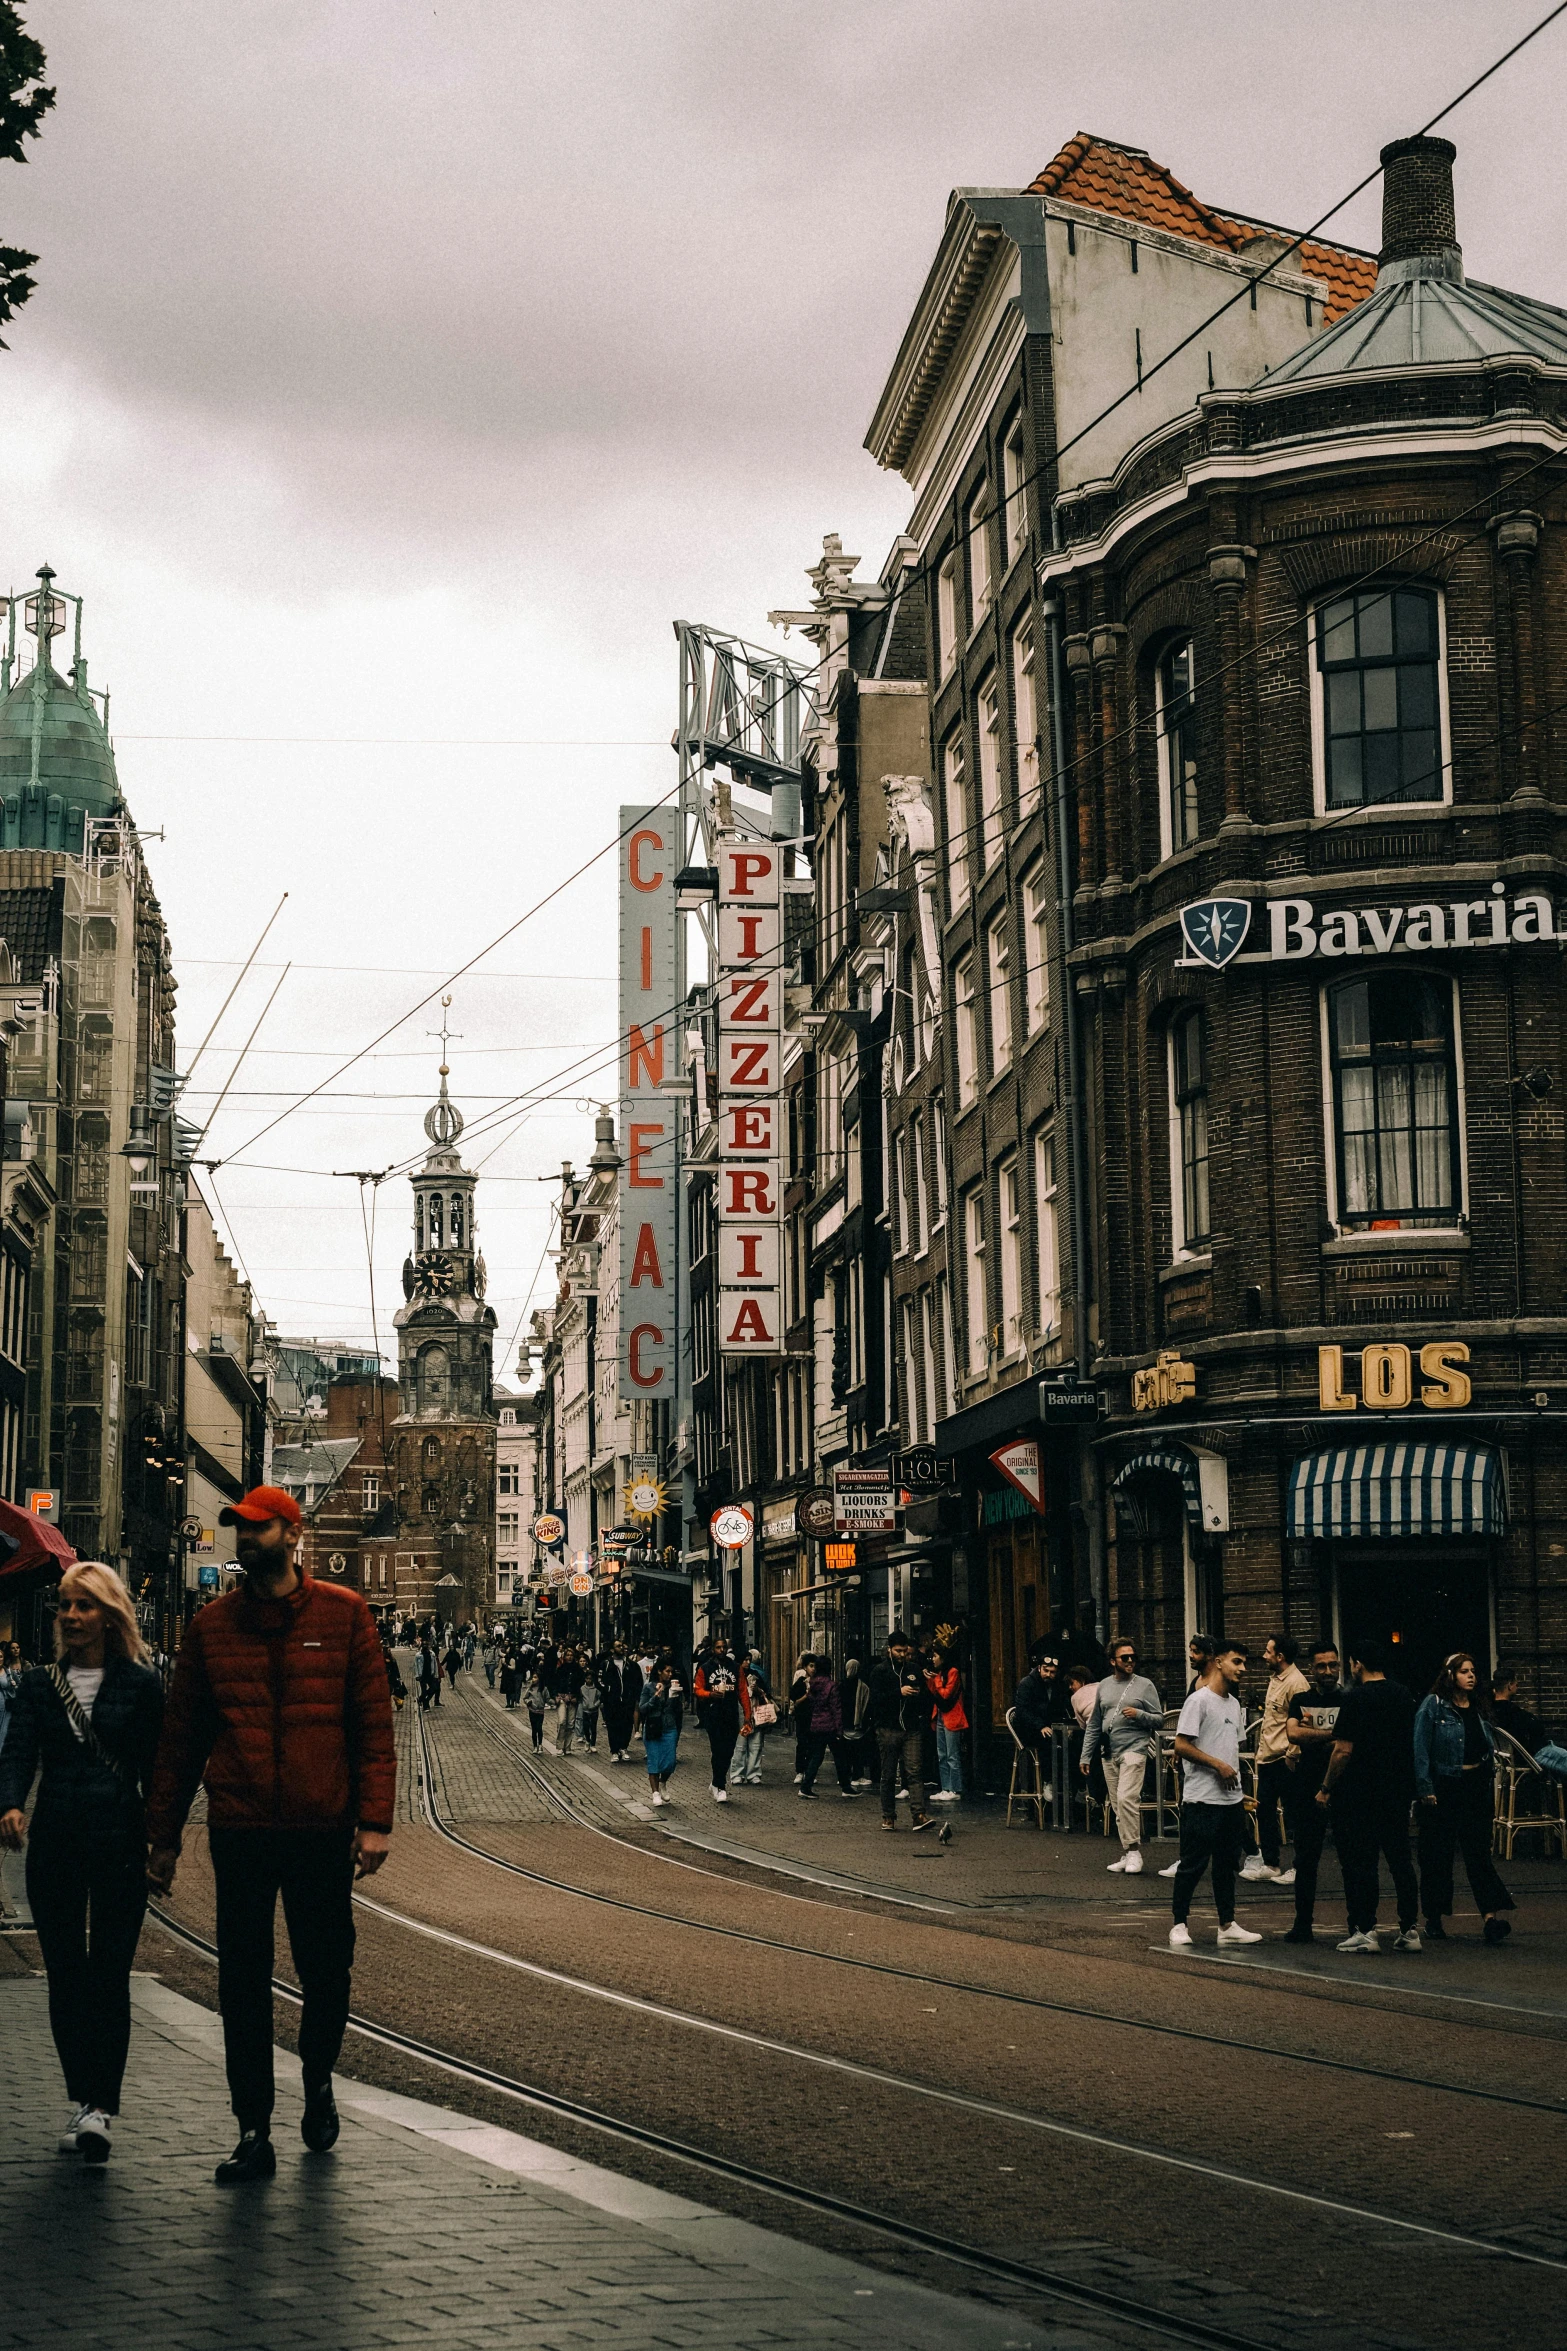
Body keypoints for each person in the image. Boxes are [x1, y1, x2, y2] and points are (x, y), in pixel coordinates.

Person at [145, 1484, 395, 2184]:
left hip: (320, 1827)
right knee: (242, 1981)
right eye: (238, 1528)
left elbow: (372, 1726)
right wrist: (161, 1835)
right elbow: (180, 1738)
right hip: (243, 1827)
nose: (243, 1537)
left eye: (256, 1527)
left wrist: (373, 1820)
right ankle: (252, 2127)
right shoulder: (210, 1627)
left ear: (292, 1533)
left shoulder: (345, 1616)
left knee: (327, 1968)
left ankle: (317, 2075)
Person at [0, 1563, 164, 2165]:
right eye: (64, 1606)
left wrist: (162, 1843)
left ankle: (100, 2107)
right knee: (67, 1976)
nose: (70, 1617)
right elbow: (17, 1748)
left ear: (109, 1614)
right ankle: (82, 2097)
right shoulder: (41, 1686)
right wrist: (11, 1803)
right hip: (59, 1844)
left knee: (109, 1976)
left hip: (119, 1843)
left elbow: (156, 1768)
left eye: (84, 1606)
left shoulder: (141, 1684)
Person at [1317, 1639, 1419, 1954]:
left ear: (1356, 1664)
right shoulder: (1403, 1695)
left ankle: (1366, 1930)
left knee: (1363, 1862)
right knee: (1400, 1859)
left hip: (1360, 1792)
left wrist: (1326, 1787)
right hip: (1397, 1789)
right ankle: (1409, 1929)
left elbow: (1343, 1750)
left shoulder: (1355, 1699)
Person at [1414, 1653, 1515, 1945]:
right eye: (1464, 1671)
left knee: (1478, 1855)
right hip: (1444, 1787)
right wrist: (1425, 1787)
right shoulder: (1433, 1706)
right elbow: (1420, 1748)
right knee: (1438, 1856)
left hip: (1474, 1787)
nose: (1471, 1676)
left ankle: (1490, 1919)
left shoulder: (1479, 1707)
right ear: (1450, 1675)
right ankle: (1434, 1918)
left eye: (1473, 1671)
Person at [1168, 1642, 1260, 1949]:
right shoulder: (1199, 1701)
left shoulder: (1234, 1704)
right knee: (1192, 1864)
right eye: (1237, 1661)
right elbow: (1181, 1746)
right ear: (1219, 1662)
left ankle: (1226, 1924)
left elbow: (1233, 1749)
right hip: (1201, 1798)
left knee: (1226, 1864)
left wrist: (1241, 1789)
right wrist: (1216, 1764)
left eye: (1244, 1663)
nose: (1242, 1668)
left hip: (1230, 1801)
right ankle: (1179, 1924)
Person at [1281, 1640, 1347, 1943]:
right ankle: (1302, 1924)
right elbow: (1293, 1732)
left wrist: (1313, 1737)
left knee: (1350, 1855)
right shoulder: (1301, 1698)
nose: (1328, 1671)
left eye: (1333, 1665)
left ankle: (1357, 1923)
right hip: (1307, 1785)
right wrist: (1333, 1735)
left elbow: (1350, 1743)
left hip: (1345, 1784)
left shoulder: (1349, 1699)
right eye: (1321, 1666)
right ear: (1312, 1669)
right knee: (1306, 1858)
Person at [1081, 1638, 1162, 1873]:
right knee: (1117, 1804)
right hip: (1109, 1752)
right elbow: (1095, 1722)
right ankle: (1127, 1852)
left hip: (1135, 1749)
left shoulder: (1145, 1685)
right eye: (1124, 1657)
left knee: (1127, 1798)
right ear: (1112, 1661)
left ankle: (1135, 1852)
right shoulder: (1104, 1685)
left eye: (1133, 1657)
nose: (1130, 1661)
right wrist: (1086, 1756)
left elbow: (1159, 1718)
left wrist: (1139, 1714)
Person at [1249, 1635, 1309, 1885]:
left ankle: (1299, 1866)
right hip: (1268, 1757)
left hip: (1284, 1758)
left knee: (1295, 1813)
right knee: (1265, 1811)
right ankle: (1271, 1864)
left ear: (1280, 1657)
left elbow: (1302, 1721)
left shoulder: (1297, 1684)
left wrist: (1292, 1755)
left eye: (1268, 1652)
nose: (1264, 1656)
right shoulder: (1276, 1679)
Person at [867, 1631, 935, 1834]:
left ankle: (919, 1815)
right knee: (888, 1774)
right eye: (898, 1651)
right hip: (888, 1728)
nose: (902, 1654)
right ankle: (888, 1816)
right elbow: (875, 1700)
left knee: (914, 1771)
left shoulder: (914, 1669)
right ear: (889, 1650)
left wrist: (920, 1694)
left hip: (911, 1727)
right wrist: (899, 1692)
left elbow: (925, 1698)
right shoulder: (879, 1671)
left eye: (904, 1651)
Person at [694, 1636, 744, 1803]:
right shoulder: (705, 1668)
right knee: (717, 1750)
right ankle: (720, 1785)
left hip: (731, 1714)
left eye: (724, 1647)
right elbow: (698, 1689)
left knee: (728, 1751)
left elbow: (742, 1692)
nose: (721, 1650)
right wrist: (709, 1694)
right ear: (713, 1649)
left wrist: (748, 1715)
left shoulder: (736, 1668)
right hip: (713, 1714)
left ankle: (716, 1782)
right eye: (718, 1648)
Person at [798, 1656, 855, 1800]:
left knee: (816, 1756)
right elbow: (836, 1708)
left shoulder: (812, 1683)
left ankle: (806, 1786)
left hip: (817, 1723)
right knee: (840, 1756)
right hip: (830, 1725)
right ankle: (845, 1786)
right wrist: (839, 1728)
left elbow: (811, 1703)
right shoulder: (831, 1685)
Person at [926, 1644, 969, 1805]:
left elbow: (945, 1694)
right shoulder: (941, 1674)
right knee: (942, 1754)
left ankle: (955, 1789)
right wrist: (930, 1679)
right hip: (941, 1716)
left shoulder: (953, 1672)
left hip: (952, 1716)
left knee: (952, 1755)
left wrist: (934, 1679)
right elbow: (934, 1691)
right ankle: (946, 1787)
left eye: (936, 1656)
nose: (933, 1659)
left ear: (943, 1657)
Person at [637, 1659, 682, 1806]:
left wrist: (676, 1696)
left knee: (670, 1762)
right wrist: (656, 1696)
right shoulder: (649, 1687)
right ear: (659, 1671)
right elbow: (642, 1708)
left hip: (669, 1727)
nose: (670, 1674)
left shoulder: (673, 1687)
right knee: (654, 1761)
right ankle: (655, 1792)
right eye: (667, 1671)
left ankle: (663, 1782)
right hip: (653, 1727)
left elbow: (677, 1710)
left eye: (671, 1672)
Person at [1490, 1663, 1551, 1759]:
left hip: (1505, 1758)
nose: (1517, 1687)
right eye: (1516, 1684)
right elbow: (1538, 1730)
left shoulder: (1489, 1711)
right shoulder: (1514, 1713)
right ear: (1510, 1685)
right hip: (1528, 1756)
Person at [730, 1655, 773, 1786]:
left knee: (756, 1744)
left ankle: (754, 1774)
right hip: (741, 1713)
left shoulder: (755, 1674)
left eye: (749, 1659)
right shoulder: (734, 1675)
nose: (748, 1662)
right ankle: (737, 1774)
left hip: (756, 1712)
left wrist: (758, 1690)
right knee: (740, 1745)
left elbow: (766, 1692)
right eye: (745, 1659)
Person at [601, 1641, 642, 1763]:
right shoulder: (606, 1664)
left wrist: (635, 1696)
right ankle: (614, 1750)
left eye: (622, 1646)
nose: (622, 1648)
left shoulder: (631, 1665)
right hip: (612, 1700)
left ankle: (624, 1748)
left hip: (627, 1700)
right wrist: (607, 1692)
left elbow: (638, 1681)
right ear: (612, 1650)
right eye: (618, 1646)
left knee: (626, 1724)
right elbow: (600, 1680)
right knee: (613, 1725)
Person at [839, 1655, 874, 1788]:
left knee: (846, 1752)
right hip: (857, 1724)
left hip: (844, 1724)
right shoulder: (863, 1686)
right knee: (857, 1751)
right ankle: (857, 1775)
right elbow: (867, 1705)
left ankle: (845, 1775)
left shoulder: (841, 1685)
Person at [788, 1652, 814, 1785]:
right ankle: (800, 1771)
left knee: (812, 1744)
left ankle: (810, 1771)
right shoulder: (800, 1681)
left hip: (815, 1717)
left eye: (815, 1666)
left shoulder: (818, 1682)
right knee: (802, 1743)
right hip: (802, 1716)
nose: (813, 1669)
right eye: (811, 1666)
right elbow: (795, 1700)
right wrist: (806, 1696)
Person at [554, 1645, 584, 1755]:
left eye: (571, 1655)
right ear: (564, 1656)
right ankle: (560, 1746)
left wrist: (577, 1697)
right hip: (562, 1698)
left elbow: (581, 1685)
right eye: (568, 1655)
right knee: (562, 1721)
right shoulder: (560, 1669)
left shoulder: (578, 1670)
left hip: (573, 1699)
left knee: (571, 1724)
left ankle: (567, 1746)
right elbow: (555, 1684)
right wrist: (556, 1697)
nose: (570, 1657)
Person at [578, 1659, 602, 1752]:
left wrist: (596, 1705)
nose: (589, 1680)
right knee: (586, 1727)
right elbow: (581, 1698)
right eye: (587, 1678)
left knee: (593, 1727)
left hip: (594, 1710)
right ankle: (587, 1740)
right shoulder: (582, 1688)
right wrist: (584, 1705)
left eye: (590, 1679)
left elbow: (600, 1698)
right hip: (585, 1710)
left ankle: (593, 1744)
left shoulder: (596, 1689)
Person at [523, 1668, 548, 1750]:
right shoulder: (530, 1689)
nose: (534, 1679)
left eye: (535, 1677)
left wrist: (553, 1701)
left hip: (540, 1711)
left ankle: (540, 1744)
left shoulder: (544, 1689)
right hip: (532, 1710)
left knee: (539, 1727)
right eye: (533, 1677)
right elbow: (525, 1698)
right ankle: (535, 1746)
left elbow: (547, 1698)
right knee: (534, 1729)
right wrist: (528, 1702)